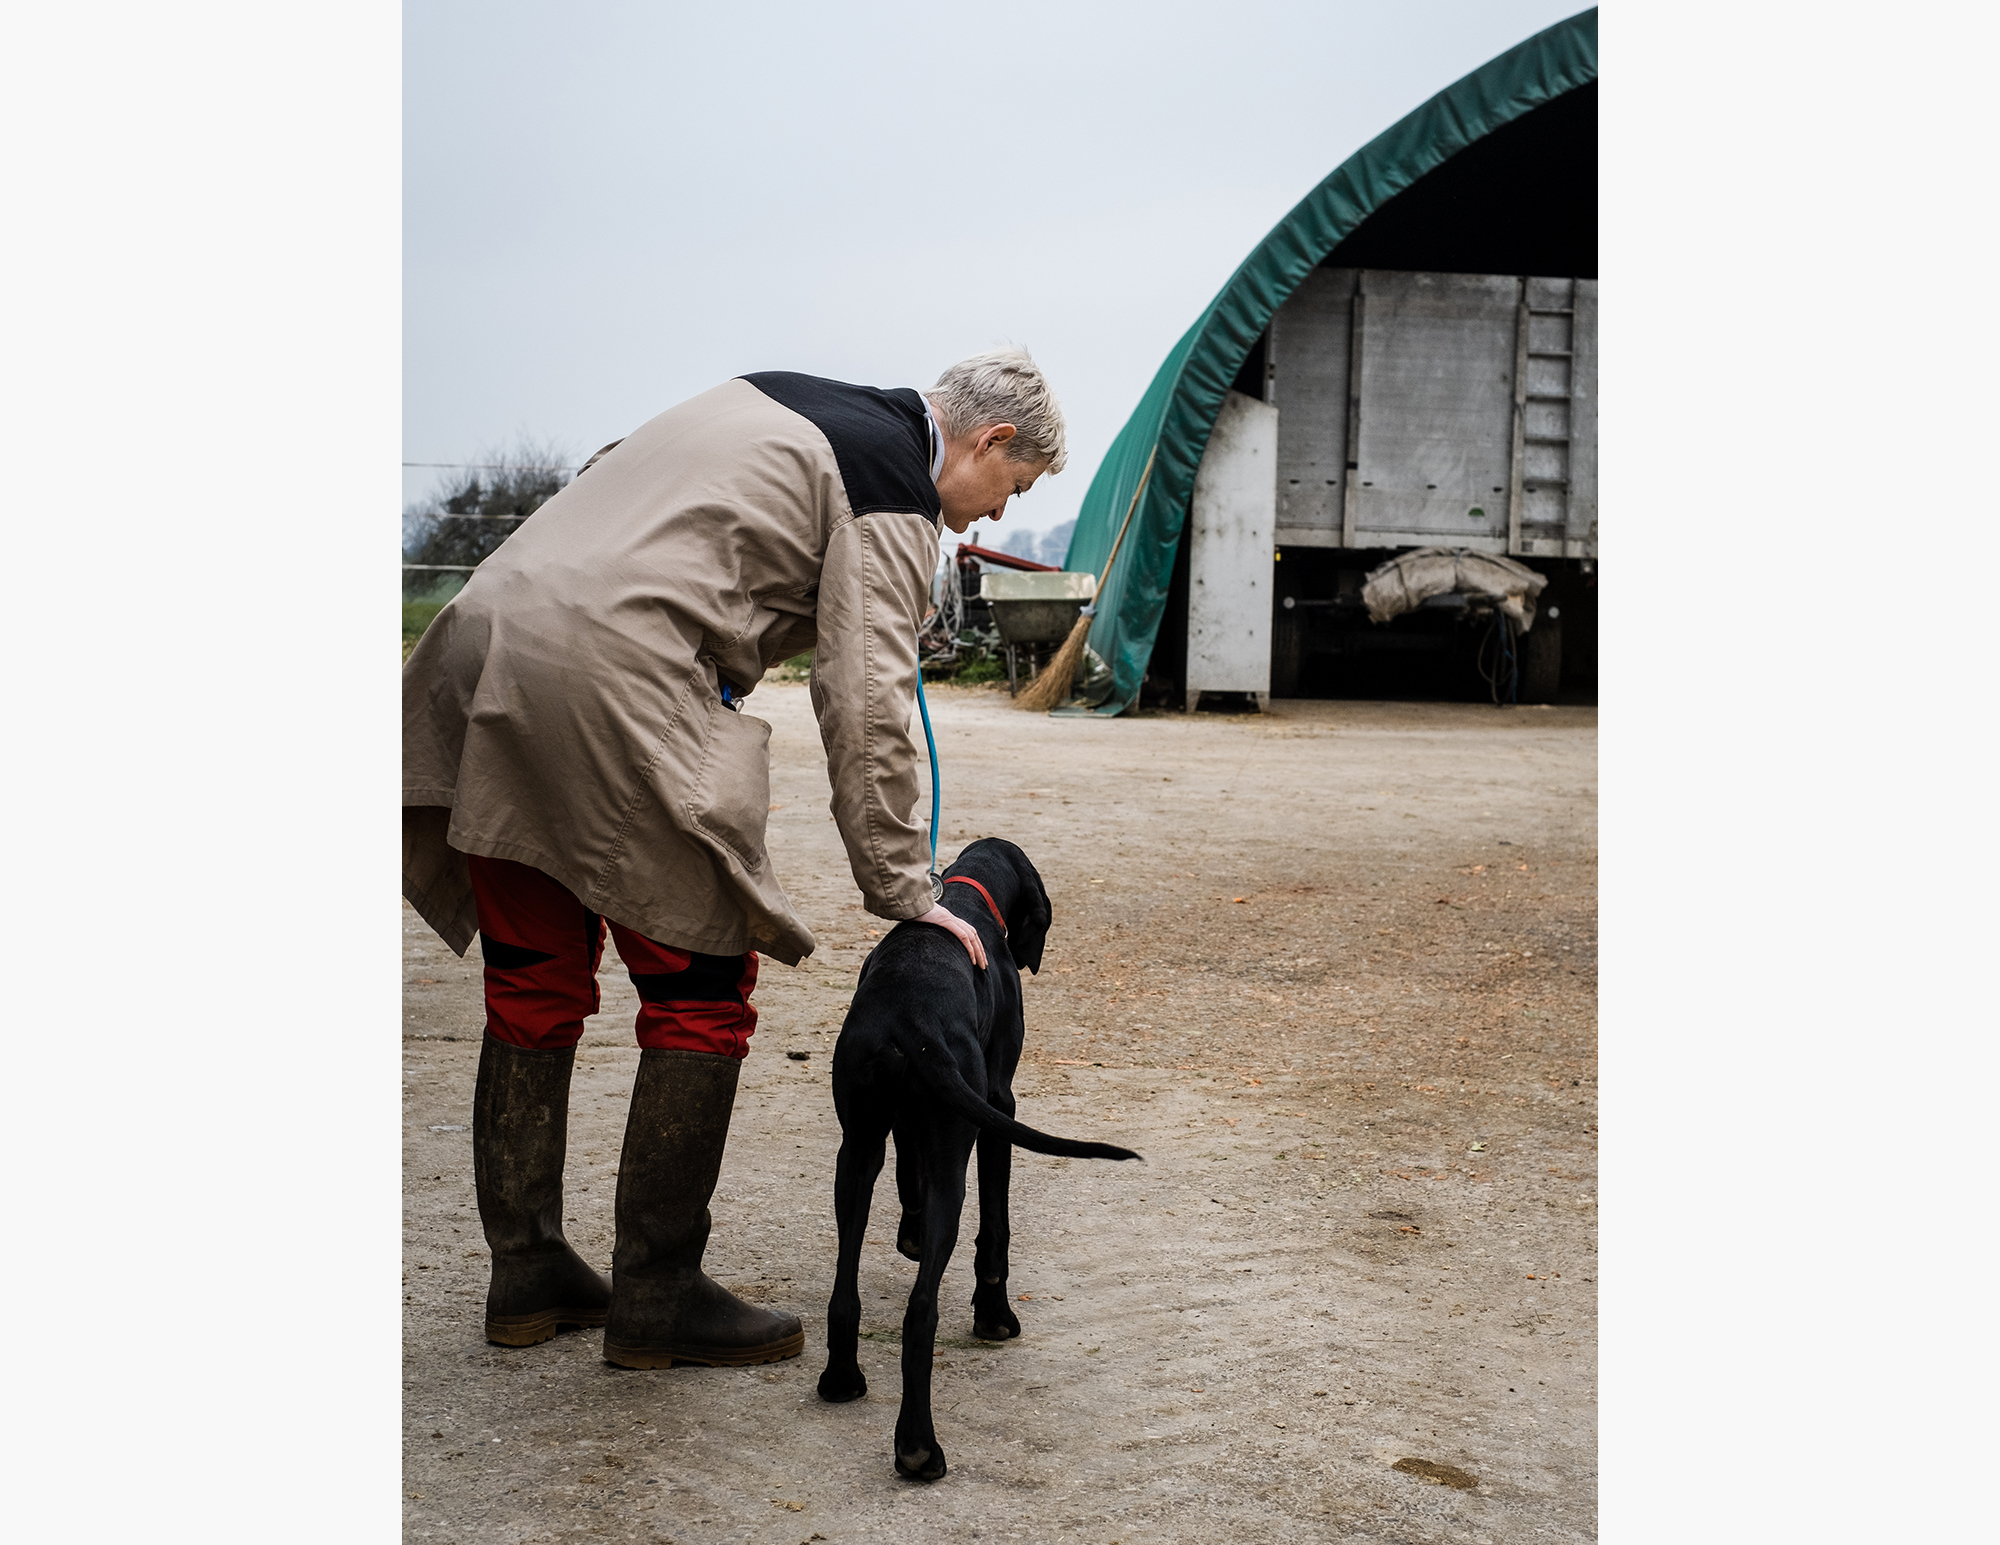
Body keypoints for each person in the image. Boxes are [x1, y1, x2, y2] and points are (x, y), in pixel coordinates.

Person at [402, 349, 1065, 1369]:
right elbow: (864, 695)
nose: (985, 519)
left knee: (533, 980)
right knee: (701, 982)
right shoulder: (887, 480)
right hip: (616, 674)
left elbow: (608, 468)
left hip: (488, 640)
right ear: (990, 440)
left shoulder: (765, 397)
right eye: (1004, 491)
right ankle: (658, 1297)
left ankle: (527, 1270)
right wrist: (903, 887)